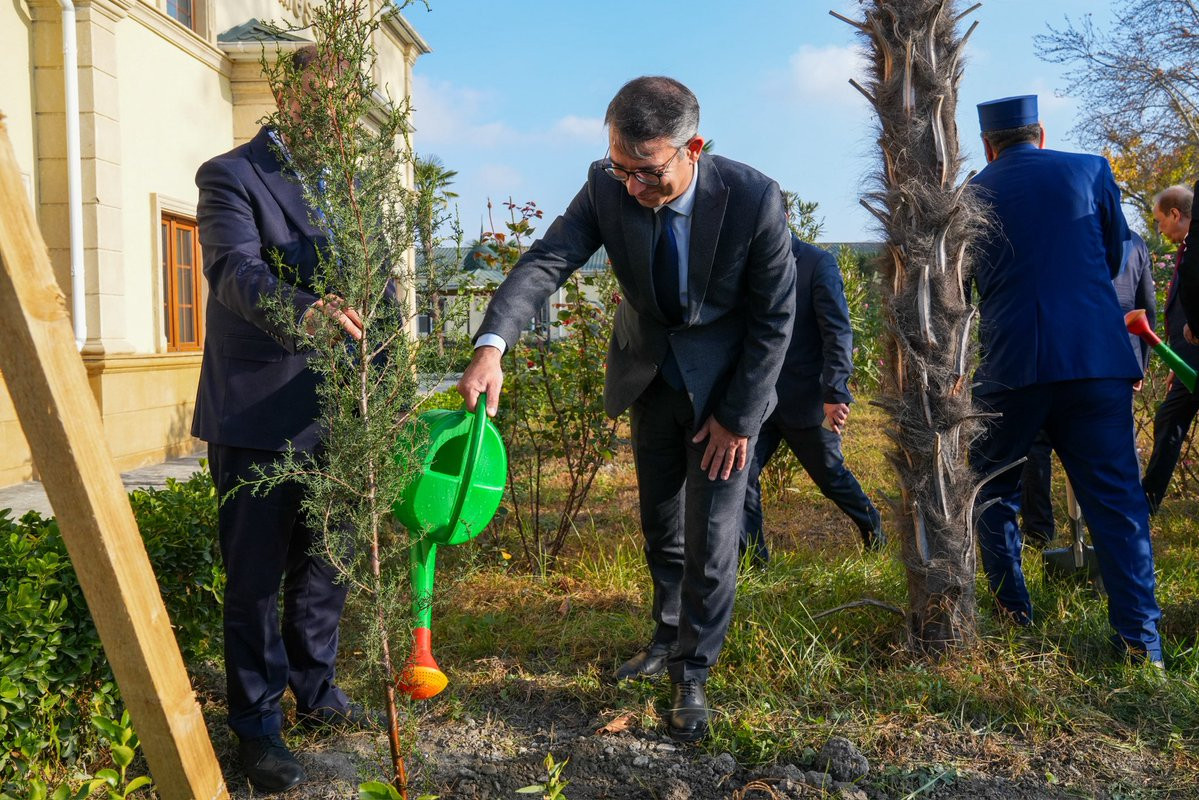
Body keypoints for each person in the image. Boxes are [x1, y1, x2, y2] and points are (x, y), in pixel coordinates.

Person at [457, 76, 796, 742]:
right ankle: (666, 637)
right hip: (650, 379)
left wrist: (739, 418)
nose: (632, 186)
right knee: (661, 526)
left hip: (725, 391)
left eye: (647, 172)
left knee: (711, 538)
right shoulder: (606, 184)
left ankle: (692, 672)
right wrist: (492, 345)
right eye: (620, 167)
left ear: (692, 147)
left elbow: (774, 319)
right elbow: (548, 260)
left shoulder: (753, 197)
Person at [192, 46, 380, 794]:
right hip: (258, 415)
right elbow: (235, 272)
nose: (337, 122)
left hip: (340, 415)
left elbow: (380, 293)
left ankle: (316, 689)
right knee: (256, 580)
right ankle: (257, 724)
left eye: (348, 110)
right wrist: (306, 313)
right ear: (288, 99)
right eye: (322, 105)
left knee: (326, 568)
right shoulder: (231, 175)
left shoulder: (355, 188)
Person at [968, 95, 1162, 665]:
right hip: (1093, 359)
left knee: (993, 492)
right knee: (1118, 502)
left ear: (988, 146)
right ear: (1042, 134)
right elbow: (1113, 257)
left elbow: (963, 284)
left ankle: (1014, 619)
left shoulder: (969, 193)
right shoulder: (1091, 170)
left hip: (1011, 366)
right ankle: (1142, 646)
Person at [741, 233, 884, 566]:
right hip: (759, 400)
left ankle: (874, 530)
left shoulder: (818, 264)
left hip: (807, 401)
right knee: (742, 476)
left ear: (783, 218)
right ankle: (753, 561)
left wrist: (835, 392)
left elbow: (838, 333)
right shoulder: (748, 263)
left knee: (831, 477)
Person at [1018, 231, 1156, 542]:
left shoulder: (1064, 235)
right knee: (1119, 447)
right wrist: (1140, 365)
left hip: (1064, 355)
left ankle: (1039, 530)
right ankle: (1130, 527)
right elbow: (1146, 308)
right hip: (1119, 358)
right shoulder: (1135, 242)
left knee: (1038, 443)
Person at [1142, 185, 1198, 513]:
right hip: (1188, 364)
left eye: (1160, 221)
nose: (1160, 230)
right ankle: (1147, 500)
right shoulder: (1187, 250)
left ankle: (1146, 501)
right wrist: (1178, 365)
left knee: (1169, 420)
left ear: (1175, 214)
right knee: (1168, 420)